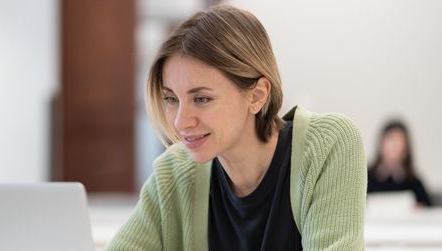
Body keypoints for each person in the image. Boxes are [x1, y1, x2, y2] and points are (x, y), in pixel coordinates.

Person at [106, 5, 367, 250]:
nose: (180, 122)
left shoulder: (328, 147)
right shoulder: (175, 174)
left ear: (257, 96)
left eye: (202, 99)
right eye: (172, 99)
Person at [367, 120, 432, 207]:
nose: (396, 145)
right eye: (391, 138)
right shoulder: (365, 178)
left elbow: (428, 210)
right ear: (381, 143)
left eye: (400, 140)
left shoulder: (414, 182)